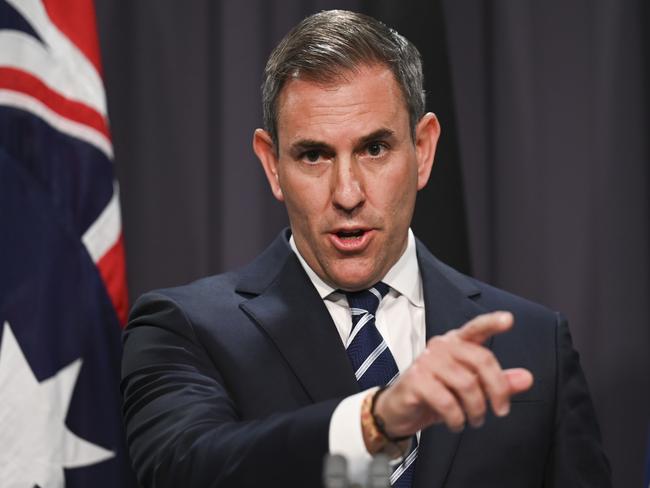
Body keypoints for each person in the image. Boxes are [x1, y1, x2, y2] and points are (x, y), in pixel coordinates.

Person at [121, 10, 611, 488]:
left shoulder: (534, 343)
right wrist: (373, 422)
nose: (348, 193)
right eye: (314, 155)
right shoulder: (184, 328)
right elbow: (185, 469)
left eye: (374, 149)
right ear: (272, 165)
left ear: (423, 150)